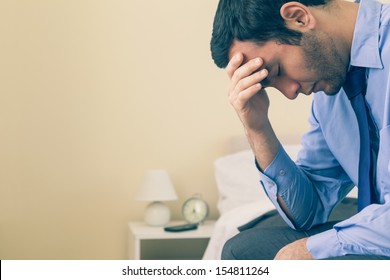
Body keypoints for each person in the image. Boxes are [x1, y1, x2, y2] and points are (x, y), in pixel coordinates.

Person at [210, 0, 390, 260]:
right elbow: (309, 211)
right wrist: (258, 128)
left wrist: (314, 248)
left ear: (298, 18)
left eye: (278, 71)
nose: (290, 93)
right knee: (244, 252)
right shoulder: (331, 94)